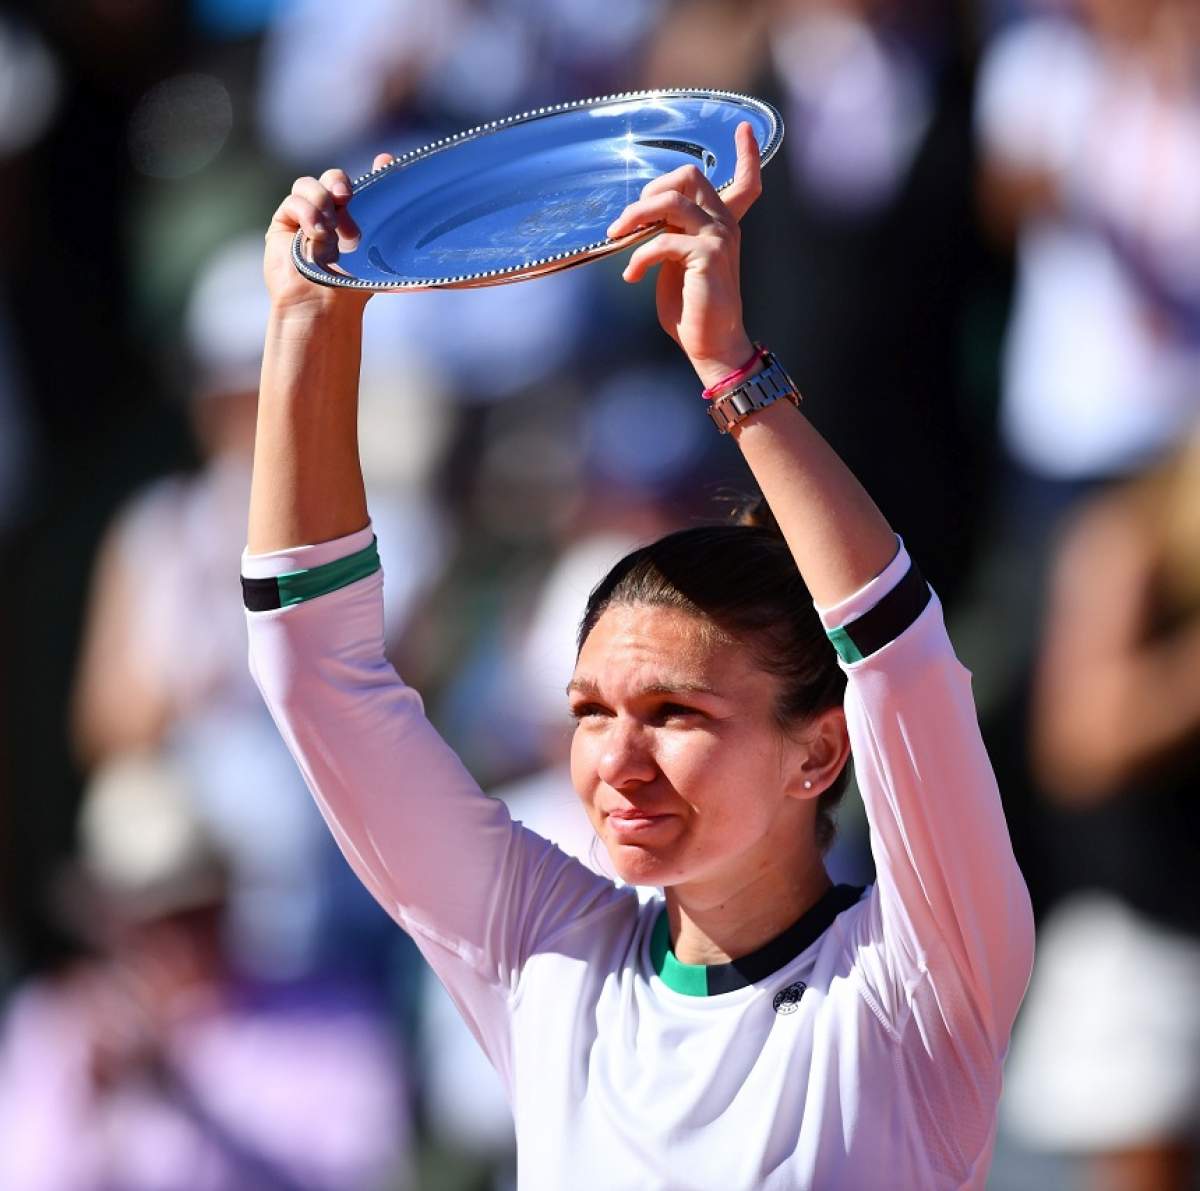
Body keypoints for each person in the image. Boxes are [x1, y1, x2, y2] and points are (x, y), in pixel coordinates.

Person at [243, 124, 1034, 1188]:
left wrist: (729, 368)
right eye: (589, 712)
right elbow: (315, 677)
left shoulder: (918, 979)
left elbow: (901, 661)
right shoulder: (548, 960)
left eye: (675, 715)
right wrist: (309, 319)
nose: (616, 762)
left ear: (819, 752)